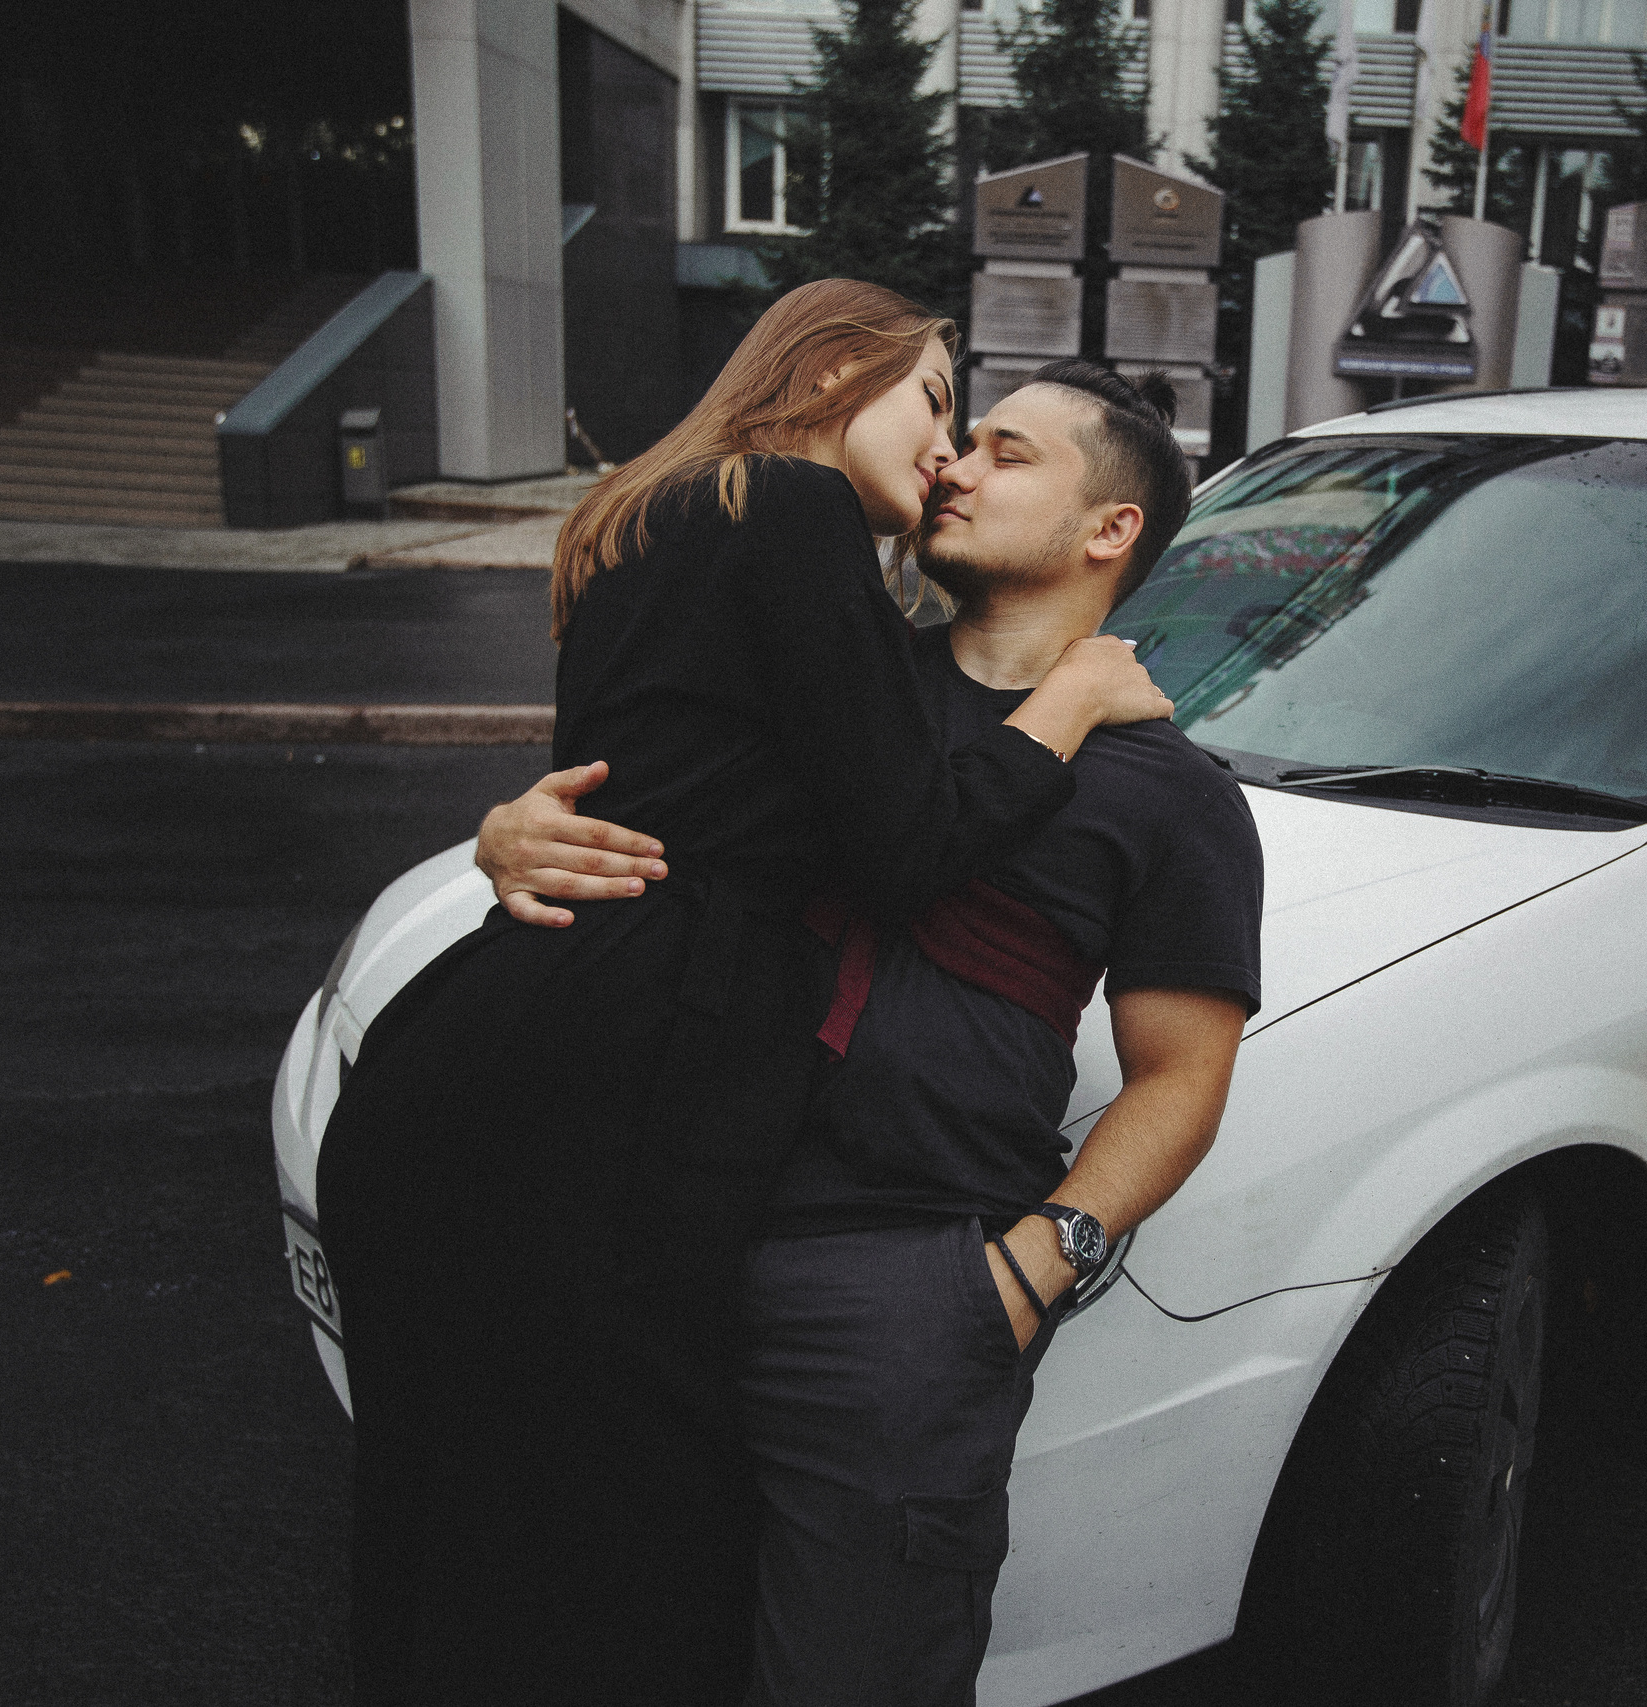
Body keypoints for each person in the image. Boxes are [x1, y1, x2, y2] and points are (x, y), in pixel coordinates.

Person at [313, 285, 1172, 1707]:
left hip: (492, 1040)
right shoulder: (788, 509)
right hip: (619, 1075)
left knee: (457, 1510)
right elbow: (905, 843)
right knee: (613, 1539)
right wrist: (1072, 700)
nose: (950, 452)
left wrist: (499, 827)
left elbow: (666, 780)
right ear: (838, 368)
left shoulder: (648, 519)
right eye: (938, 401)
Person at [474, 363, 1263, 1705]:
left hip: (893, 1286)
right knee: (618, 1646)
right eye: (960, 443)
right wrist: (511, 835)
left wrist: (1029, 1271)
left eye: (1005, 454)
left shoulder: (1173, 798)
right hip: (656, 1235)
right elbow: (646, 821)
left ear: (1108, 531)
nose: (951, 466)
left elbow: (1182, 1076)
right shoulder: (818, 681)